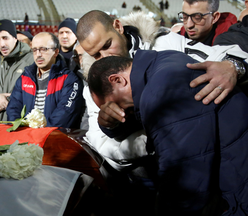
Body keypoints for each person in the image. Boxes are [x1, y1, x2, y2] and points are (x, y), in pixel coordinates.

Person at [87, 50, 248, 215]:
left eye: (113, 104)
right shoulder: (160, 63)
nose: (118, 110)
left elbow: (186, 186)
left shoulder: (161, 92)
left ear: (117, 80)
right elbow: (142, 116)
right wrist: (110, 125)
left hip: (238, 193)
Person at [76, 10, 248, 161]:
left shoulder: (165, 43)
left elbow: (223, 57)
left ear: (118, 26)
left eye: (107, 45)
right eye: (96, 55)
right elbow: (103, 144)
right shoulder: (93, 86)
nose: (104, 56)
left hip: (208, 154)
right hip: (148, 175)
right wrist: (111, 126)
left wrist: (233, 67)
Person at [6, 32, 84, 128]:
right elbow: (13, 108)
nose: (38, 54)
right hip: (25, 139)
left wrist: (42, 135)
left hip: (53, 139)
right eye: (34, 50)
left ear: (56, 52)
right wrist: (20, 131)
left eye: (43, 49)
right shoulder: (24, 78)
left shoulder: (70, 79)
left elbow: (65, 115)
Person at [0, 19, 34, 121]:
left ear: (15, 38)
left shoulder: (31, 60)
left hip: (20, 122)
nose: (2, 44)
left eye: (5, 38)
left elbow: (34, 93)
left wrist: (3, 101)